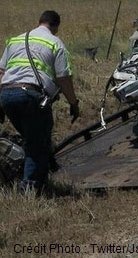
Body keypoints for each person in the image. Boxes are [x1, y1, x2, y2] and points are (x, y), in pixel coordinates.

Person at [0, 10, 79, 192]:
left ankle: (37, 176)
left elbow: (1, 72)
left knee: (33, 138)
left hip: (7, 95)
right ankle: (30, 190)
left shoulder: (16, 40)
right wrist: (73, 103)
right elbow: (64, 78)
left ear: (39, 22)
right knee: (38, 144)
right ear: (55, 26)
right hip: (30, 96)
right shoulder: (56, 43)